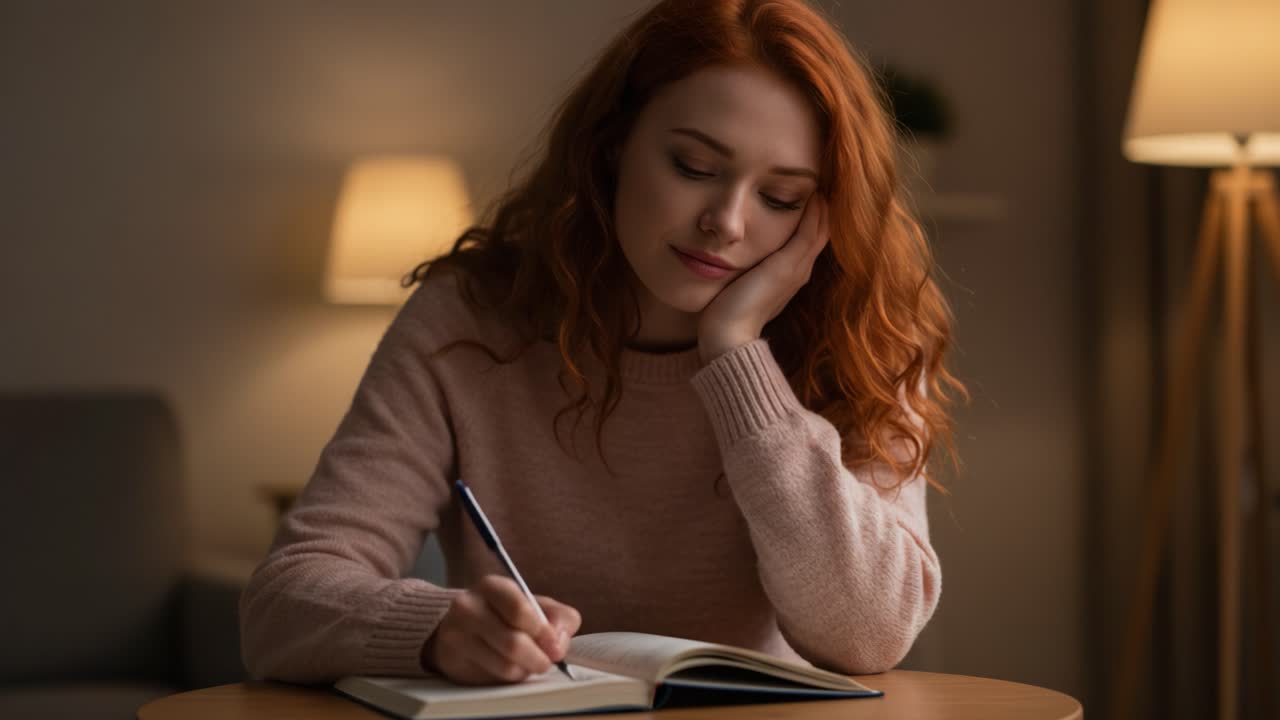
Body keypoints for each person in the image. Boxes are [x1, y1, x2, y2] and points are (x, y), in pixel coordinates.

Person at [240, 0, 966, 687]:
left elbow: (869, 634)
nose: (727, 222)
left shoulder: (862, 334)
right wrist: (433, 630)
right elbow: (283, 602)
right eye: (693, 167)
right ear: (615, 144)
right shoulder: (469, 321)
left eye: (780, 199)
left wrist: (737, 355)